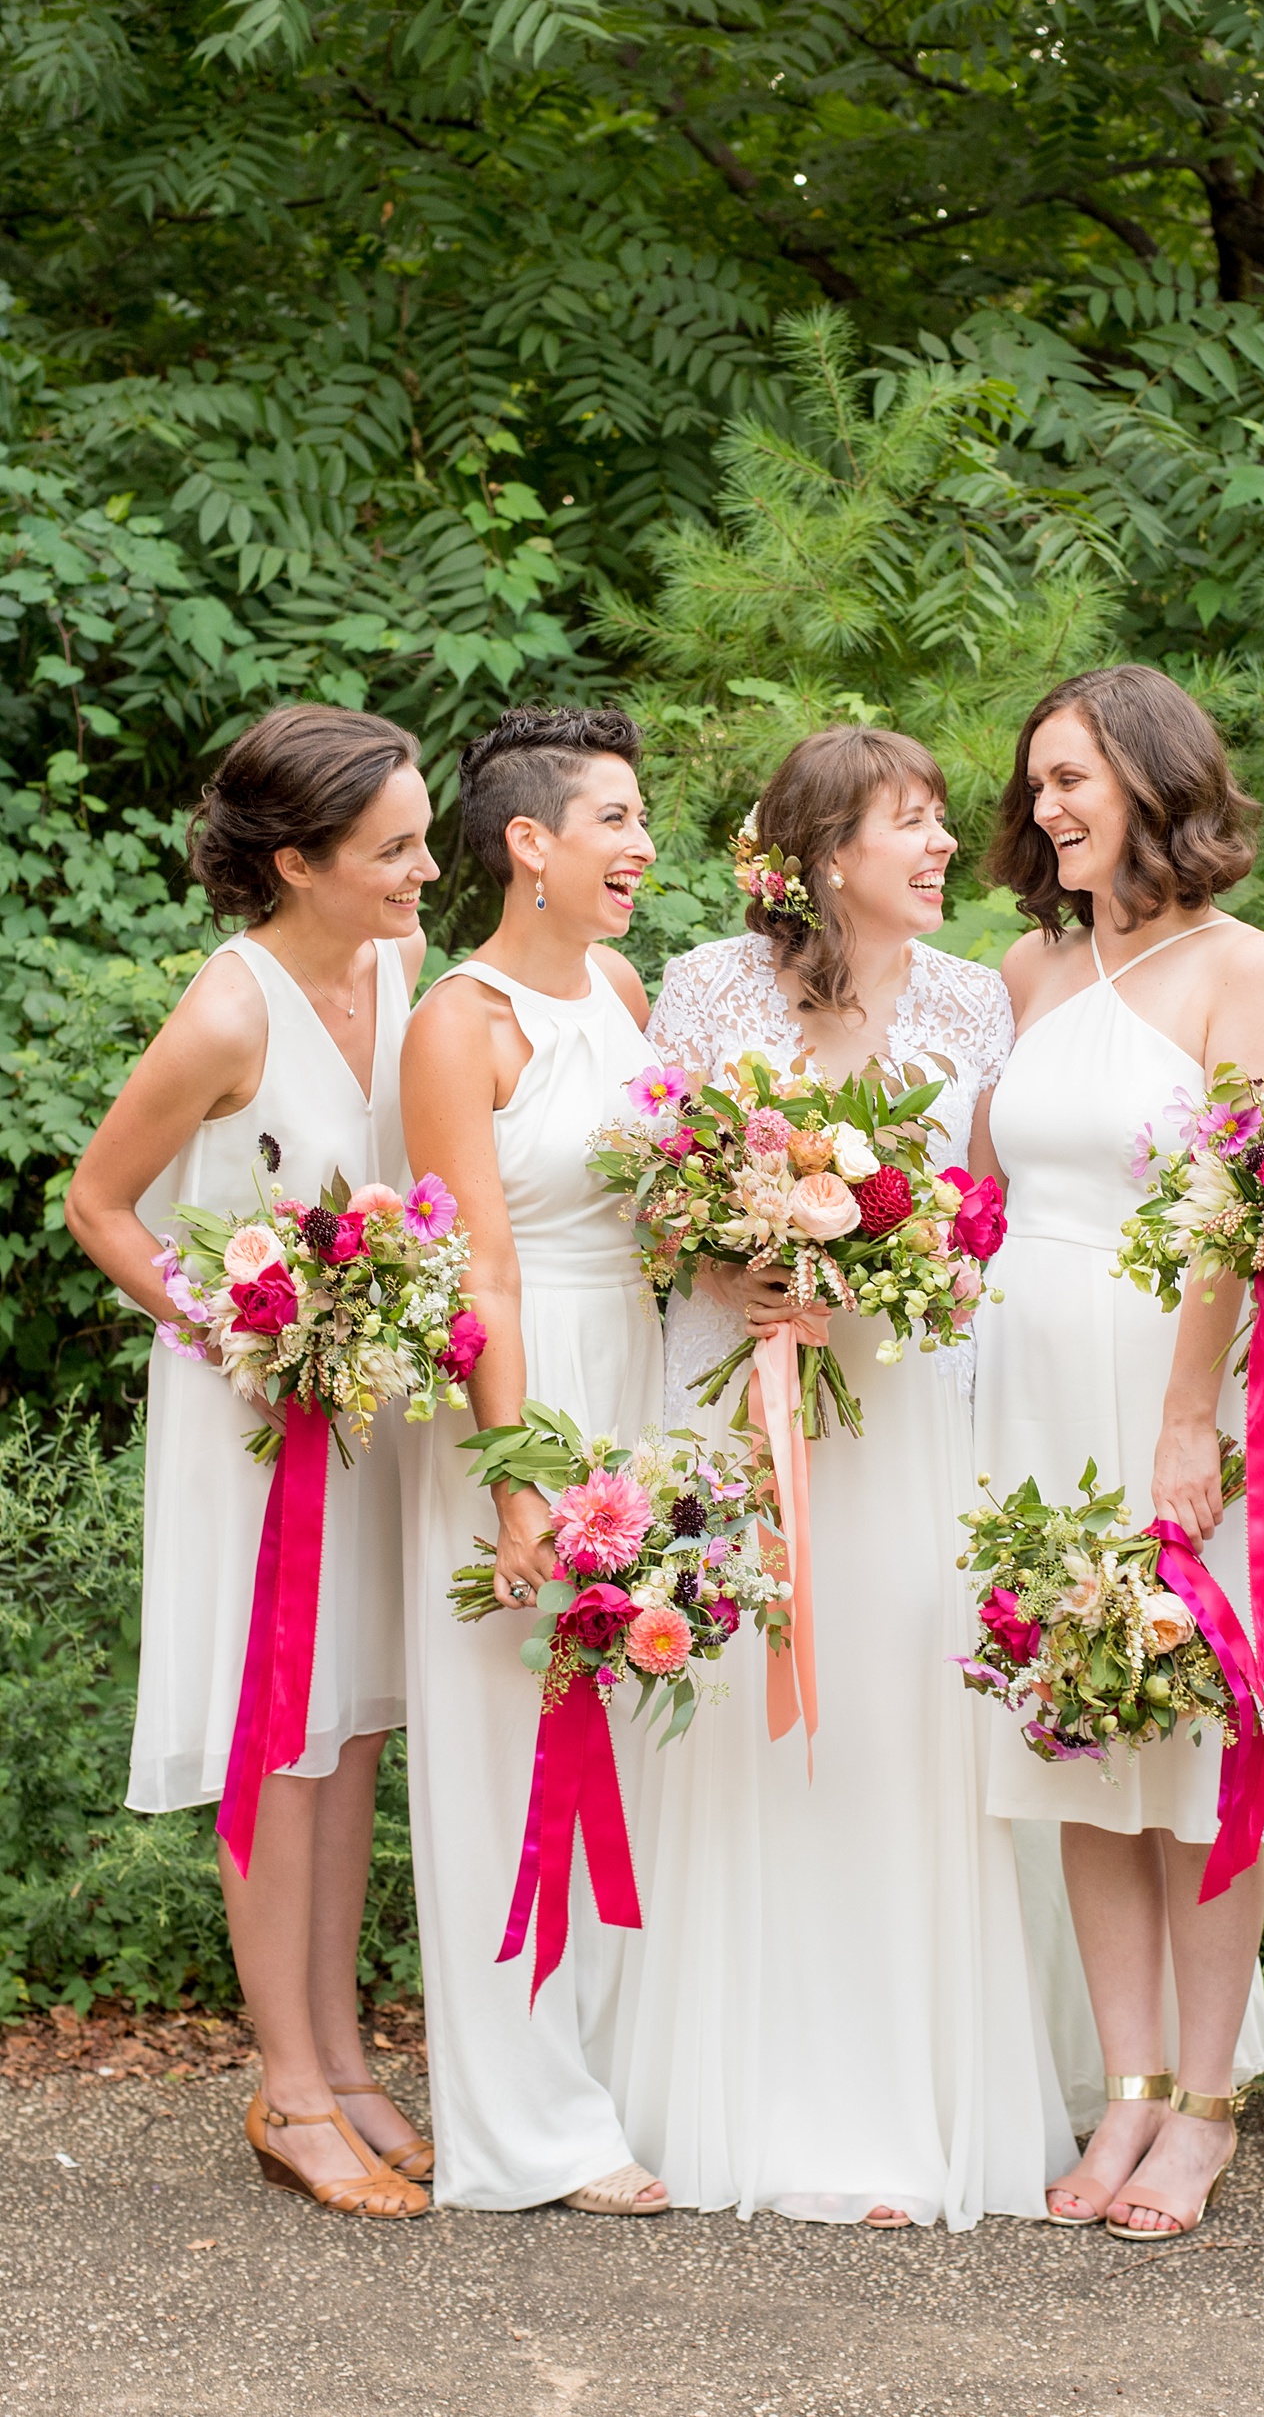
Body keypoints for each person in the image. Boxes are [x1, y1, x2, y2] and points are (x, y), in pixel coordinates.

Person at [612, 724, 1075, 2229]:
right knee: (755, 1733)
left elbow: (991, 1215)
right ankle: (755, 2097)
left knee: (900, 1730)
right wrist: (748, 1258)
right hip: (749, 1408)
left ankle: (904, 2111)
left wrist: (881, 1274)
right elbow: (655, 1198)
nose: (947, 845)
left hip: (912, 1412)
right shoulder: (706, 989)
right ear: (824, 852)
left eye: (943, 820)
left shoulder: (973, 997)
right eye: (911, 822)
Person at [66, 702, 437, 2219]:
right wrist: (239, 1323)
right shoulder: (229, 1009)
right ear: (298, 860)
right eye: (395, 849)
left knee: (347, 1732)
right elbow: (99, 1204)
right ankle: (283, 2083)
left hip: (366, 1410)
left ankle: (345, 2055)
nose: (424, 871)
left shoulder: (398, 965)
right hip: (252, 1416)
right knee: (273, 1731)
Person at [976, 664, 1264, 2239]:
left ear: (1156, 781)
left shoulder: (1244, 968)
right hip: (1024, 1389)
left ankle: (1205, 2104)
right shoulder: (1029, 965)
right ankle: (1123, 2089)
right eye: (1037, 782)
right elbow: (985, 1194)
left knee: (1191, 1747)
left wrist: (1194, 1414)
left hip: (1168, 1389)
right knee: (1075, 1743)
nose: (1049, 807)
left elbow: (1244, 1205)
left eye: (1075, 778)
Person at [399, 703, 669, 2215]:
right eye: (614, 820)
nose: (640, 846)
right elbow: (477, 1270)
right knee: (515, 1757)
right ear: (530, 844)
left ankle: (620, 2073)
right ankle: (527, 2127)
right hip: (529, 1393)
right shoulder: (462, 1022)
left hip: (640, 1376)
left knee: (634, 1743)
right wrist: (514, 1479)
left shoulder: (619, 988)